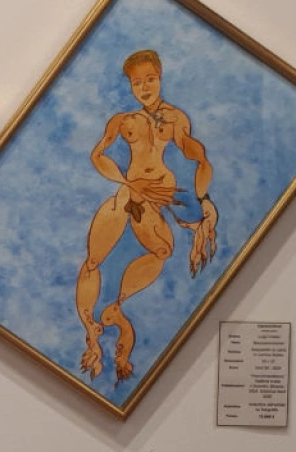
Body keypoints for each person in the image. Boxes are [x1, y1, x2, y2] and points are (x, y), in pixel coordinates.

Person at [75, 49, 218, 383]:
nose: (144, 87)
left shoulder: (176, 118)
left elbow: (197, 156)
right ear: (130, 86)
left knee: (162, 250)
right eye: (137, 82)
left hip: (159, 197)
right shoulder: (123, 121)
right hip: (130, 192)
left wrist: (203, 197)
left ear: (160, 78)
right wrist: (127, 183)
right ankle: (91, 332)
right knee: (93, 260)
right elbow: (98, 155)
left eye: (150, 79)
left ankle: (117, 305)